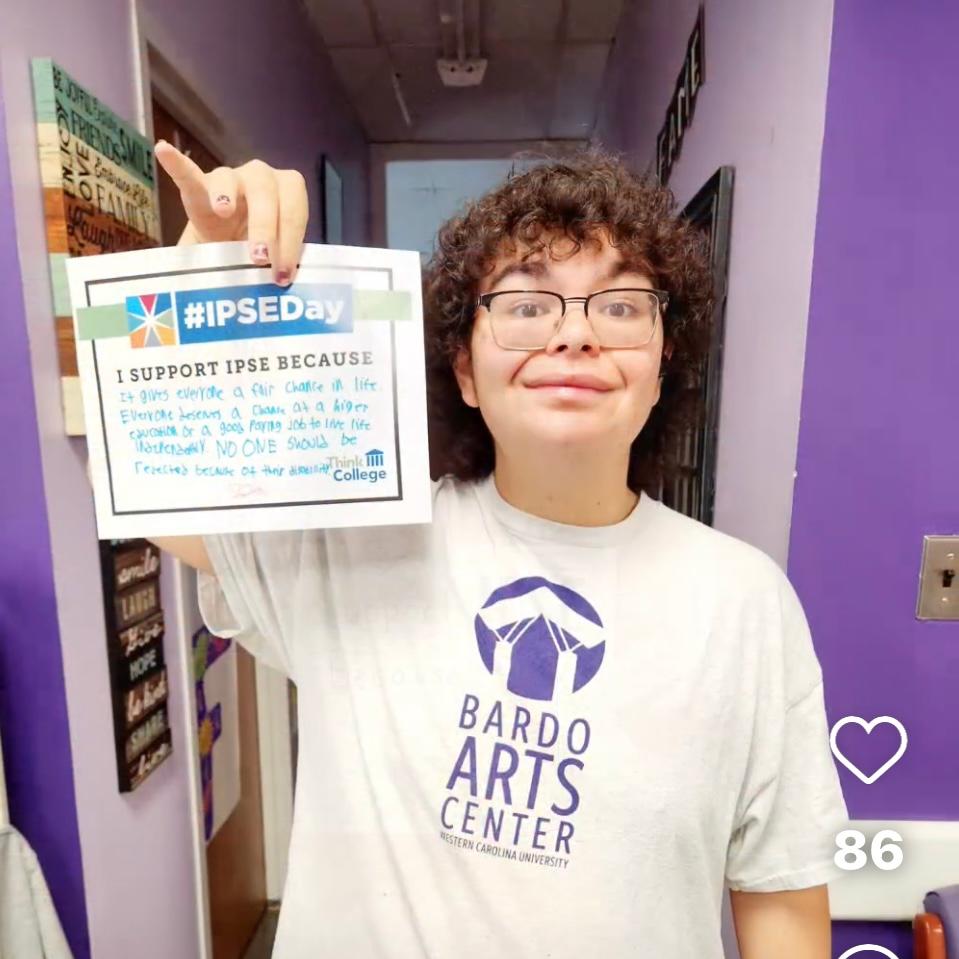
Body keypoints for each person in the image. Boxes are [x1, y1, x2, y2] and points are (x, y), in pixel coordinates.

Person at [151, 140, 849, 959]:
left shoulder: (743, 600)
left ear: (662, 366)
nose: (574, 335)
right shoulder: (357, 547)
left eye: (619, 306)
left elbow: (779, 895)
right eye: (526, 305)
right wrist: (207, 261)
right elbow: (166, 487)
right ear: (466, 370)